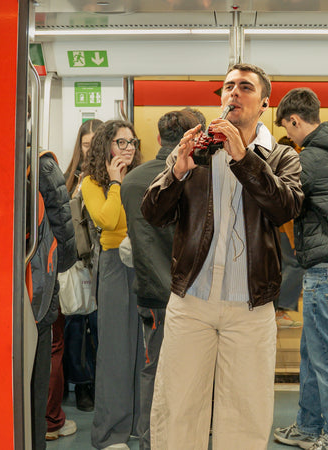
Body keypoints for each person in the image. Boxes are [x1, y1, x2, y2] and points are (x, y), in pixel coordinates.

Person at [141, 63, 304, 449]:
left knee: (246, 412)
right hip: (191, 302)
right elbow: (153, 214)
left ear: (264, 103)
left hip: (250, 306)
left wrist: (244, 158)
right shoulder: (195, 150)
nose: (233, 93)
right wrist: (176, 174)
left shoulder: (281, 156)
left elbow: (285, 207)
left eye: (245, 87)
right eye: (228, 86)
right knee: (178, 407)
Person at [271, 87, 328, 450]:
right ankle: (308, 426)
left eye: (287, 129)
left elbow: (279, 203)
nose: (289, 137)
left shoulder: (309, 160)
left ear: (294, 120)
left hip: (326, 270)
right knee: (312, 355)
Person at [120, 109, 202, 450]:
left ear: (157, 138)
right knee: (195, 376)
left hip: (151, 292)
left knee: (153, 372)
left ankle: (150, 441)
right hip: (193, 294)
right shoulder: (197, 179)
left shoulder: (131, 181)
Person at [83, 119, 145, 450]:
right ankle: (109, 433)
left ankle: (136, 424)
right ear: (105, 146)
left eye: (132, 142)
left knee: (141, 349)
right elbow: (107, 220)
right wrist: (117, 182)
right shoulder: (92, 183)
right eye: (121, 142)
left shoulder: (141, 177)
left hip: (142, 264)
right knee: (115, 350)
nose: (128, 148)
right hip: (114, 266)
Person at [30, 148, 78, 448]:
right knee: (40, 368)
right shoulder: (43, 165)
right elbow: (64, 231)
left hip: (1, 287)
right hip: (38, 288)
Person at [60, 118, 104, 414]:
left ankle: (101, 381)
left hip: (102, 262)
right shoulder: (68, 180)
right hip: (75, 264)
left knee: (101, 327)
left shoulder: (112, 178)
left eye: (95, 144)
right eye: (86, 145)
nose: (90, 151)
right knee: (75, 326)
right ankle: (82, 384)